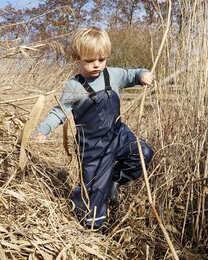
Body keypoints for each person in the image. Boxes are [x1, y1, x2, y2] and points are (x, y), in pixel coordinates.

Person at [34, 26, 154, 230]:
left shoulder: (114, 75)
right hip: (93, 148)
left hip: (118, 135)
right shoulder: (74, 87)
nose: (96, 65)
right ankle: (91, 228)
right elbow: (59, 111)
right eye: (89, 61)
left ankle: (113, 181)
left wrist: (143, 75)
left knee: (143, 153)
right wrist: (42, 130)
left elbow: (134, 74)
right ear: (76, 58)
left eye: (101, 59)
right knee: (94, 197)